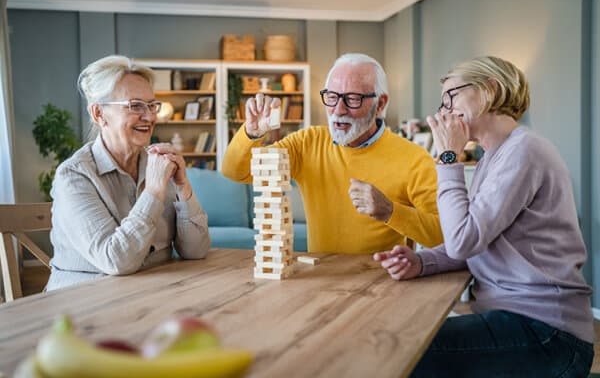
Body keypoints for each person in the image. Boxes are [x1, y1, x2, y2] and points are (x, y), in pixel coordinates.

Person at [374, 56, 594, 377]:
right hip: (518, 320)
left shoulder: (524, 150)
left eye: (452, 96)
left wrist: (448, 157)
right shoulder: (494, 156)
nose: (445, 109)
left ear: (490, 89)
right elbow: (475, 238)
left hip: (548, 333)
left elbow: (463, 241)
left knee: (401, 350)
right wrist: (422, 262)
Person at [222, 53, 442, 253]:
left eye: (353, 99)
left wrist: (390, 211)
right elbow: (235, 172)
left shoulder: (414, 158)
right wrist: (251, 132)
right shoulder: (307, 143)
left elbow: (442, 235)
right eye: (332, 97)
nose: (338, 110)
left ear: (381, 103)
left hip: (382, 283)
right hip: (321, 278)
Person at [47, 55, 210, 290]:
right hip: (84, 306)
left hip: (151, 297)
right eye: (135, 106)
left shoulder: (155, 163)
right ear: (98, 114)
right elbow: (116, 260)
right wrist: (153, 191)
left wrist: (184, 188)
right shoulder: (73, 176)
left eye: (152, 105)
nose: (150, 116)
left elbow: (196, 251)